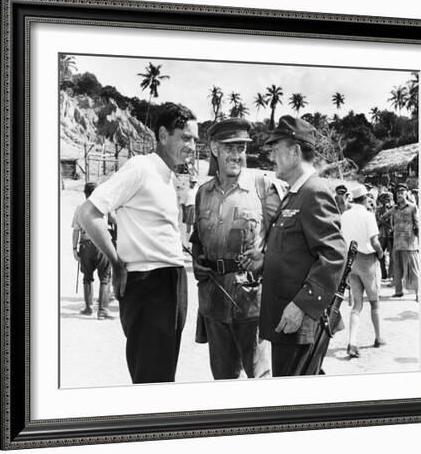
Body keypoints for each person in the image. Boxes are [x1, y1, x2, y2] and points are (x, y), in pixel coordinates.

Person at [76, 103, 198, 383]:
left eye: (195, 139)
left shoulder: (168, 175)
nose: (192, 146)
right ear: (164, 135)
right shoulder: (141, 167)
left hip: (171, 281)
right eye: (186, 137)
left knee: (163, 376)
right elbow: (88, 213)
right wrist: (117, 264)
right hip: (149, 284)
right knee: (151, 380)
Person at [240, 116, 346, 376]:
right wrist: (265, 260)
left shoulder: (314, 192)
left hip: (298, 321)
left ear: (295, 152)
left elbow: (333, 255)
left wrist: (301, 305)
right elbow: (298, 251)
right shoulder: (296, 193)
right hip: (286, 320)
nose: (271, 156)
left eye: (276, 149)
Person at [190, 118, 284, 380]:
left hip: (251, 301)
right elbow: (197, 237)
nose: (237, 155)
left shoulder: (263, 187)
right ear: (214, 148)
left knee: (259, 378)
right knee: (223, 379)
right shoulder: (202, 193)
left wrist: (265, 258)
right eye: (230, 147)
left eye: (241, 148)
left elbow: (287, 236)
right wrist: (197, 259)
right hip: (213, 300)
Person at [340, 184, 385, 358]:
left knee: (357, 304)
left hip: (351, 260)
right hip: (367, 260)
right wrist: (381, 255)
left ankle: (352, 341)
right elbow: (374, 242)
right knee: (374, 302)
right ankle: (378, 337)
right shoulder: (368, 215)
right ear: (365, 198)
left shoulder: (345, 215)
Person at [71, 182, 114, 319]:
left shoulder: (80, 208)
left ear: (85, 193)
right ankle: (102, 310)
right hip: (102, 243)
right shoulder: (105, 206)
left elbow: (76, 231)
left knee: (87, 278)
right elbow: (114, 222)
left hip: (85, 244)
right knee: (105, 278)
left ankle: (89, 308)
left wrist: (74, 249)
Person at [387, 184, 420, 300]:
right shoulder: (394, 208)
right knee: (397, 269)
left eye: (402, 192)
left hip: (409, 244)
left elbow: (418, 225)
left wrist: (418, 242)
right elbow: (383, 218)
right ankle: (398, 291)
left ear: (407, 193)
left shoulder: (413, 207)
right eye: (398, 193)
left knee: (413, 270)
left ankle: (418, 293)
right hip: (397, 243)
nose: (400, 195)